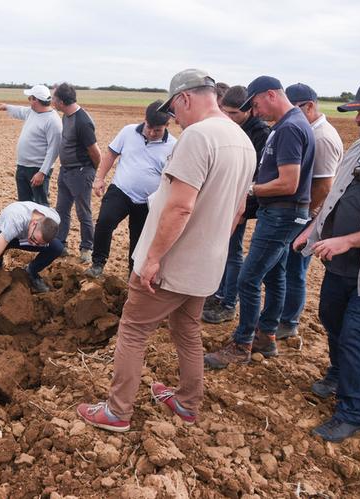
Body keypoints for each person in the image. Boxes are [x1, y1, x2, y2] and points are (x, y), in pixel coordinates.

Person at [76, 69, 256, 431]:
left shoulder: (198, 137)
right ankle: (188, 404)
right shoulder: (242, 142)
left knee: (133, 329)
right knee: (187, 329)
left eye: (174, 109)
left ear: (185, 98)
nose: (174, 118)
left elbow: (180, 207)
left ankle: (116, 411)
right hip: (207, 265)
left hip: (172, 264)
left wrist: (153, 258)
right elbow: (237, 211)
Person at [292, 72, 360, 442]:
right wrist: (311, 230)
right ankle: (338, 373)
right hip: (340, 263)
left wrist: (348, 241)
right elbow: (336, 199)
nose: (358, 119)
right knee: (331, 319)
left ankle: (355, 412)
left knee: (357, 335)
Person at [205, 76, 315, 369]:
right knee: (274, 276)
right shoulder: (288, 125)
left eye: (255, 104)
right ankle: (266, 337)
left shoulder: (290, 128)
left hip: (281, 213)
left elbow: (289, 182)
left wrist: (251, 189)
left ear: (270, 95)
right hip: (285, 213)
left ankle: (242, 344)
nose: (255, 111)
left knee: (248, 279)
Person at [273, 83, 343, 339]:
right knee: (288, 267)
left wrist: (304, 215)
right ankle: (282, 315)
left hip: (308, 217)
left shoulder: (322, 137)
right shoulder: (310, 130)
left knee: (295, 269)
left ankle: (289, 321)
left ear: (309, 106)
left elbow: (324, 185)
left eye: (294, 109)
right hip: (304, 214)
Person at [84, 100, 176, 278]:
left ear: (167, 125)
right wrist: (99, 178)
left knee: (139, 239)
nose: (151, 132)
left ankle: (132, 273)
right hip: (120, 191)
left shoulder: (173, 146)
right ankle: (98, 264)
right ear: (144, 119)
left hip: (147, 201)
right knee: (104, 222)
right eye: (149, 127)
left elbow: (172, 179)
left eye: (157, 130)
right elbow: (110, 154)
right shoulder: (128, 132)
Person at [203, 85, 271, 323]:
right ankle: (219, 292)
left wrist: (244, 210)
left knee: (232, 251)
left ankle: (229, 302)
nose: (229, 118)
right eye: (226, 112)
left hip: (243, 202)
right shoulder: (233, 128)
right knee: (222, 249)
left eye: (234, 114)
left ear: (249, 110)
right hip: (228, 198)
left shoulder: (260, 133)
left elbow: (259, 174)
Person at [0, 201, 63, 315]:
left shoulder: (54, 220)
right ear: (34, 223)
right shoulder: (16, 222)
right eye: (34, 240)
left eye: (39, 243)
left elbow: (39, 240)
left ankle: (31, 271)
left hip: (24, 236)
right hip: (2, 232)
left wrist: (36, 241)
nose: (34, 245)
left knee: (57, 247)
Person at [52, 82, 101, 263]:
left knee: (83, 212)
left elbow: (96, 153)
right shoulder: (66, 116)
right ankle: (60, 244)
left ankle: (87, 248)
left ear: (62, 102)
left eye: (54, 98)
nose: (52, 101)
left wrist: (89, 173)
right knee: (62, 210)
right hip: (66, 171)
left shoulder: (83, 122)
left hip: (80, 172)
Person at [0, 85, 62, 206]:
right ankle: (28, 225)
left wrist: (42, 172)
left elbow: (53, 150)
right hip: (22, 166)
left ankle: (43, 225)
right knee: (24, 205)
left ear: (36, 100)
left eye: (30, 98)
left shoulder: (53, 121)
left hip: (37, 169)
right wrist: (7, 107)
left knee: (40, 205)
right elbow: (20, 110)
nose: (28, 101)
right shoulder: (32, 112)